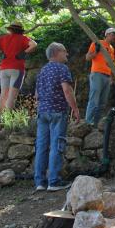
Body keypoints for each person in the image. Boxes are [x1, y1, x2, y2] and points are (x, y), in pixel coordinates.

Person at [34, 42, 80, 192]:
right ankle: (54, 181)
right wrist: (75, 109)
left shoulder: (42, 71)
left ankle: (40, 182)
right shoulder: (62, 68)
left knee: (41, 146)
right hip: (58, 111)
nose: (67, 54)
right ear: (57, 53)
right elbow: (67, 91)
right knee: (56, 145)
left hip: (43, 112)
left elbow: (36, 95)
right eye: (65, 51)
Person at [0, 22, 37, 112]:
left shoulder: (3, 38)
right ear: (20, 30)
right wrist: (24, 53)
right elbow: (34, 45)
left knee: (3, 94)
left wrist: (2, 54)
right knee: (12, 95)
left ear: (10, 29)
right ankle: (7, 121)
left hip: (3, 68)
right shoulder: (23, 38)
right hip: (17, 68)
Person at [85, 28, 115, 127]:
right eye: (113, 34)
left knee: (102, 103)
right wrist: (96, 51)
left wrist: (112, 78)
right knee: (94, 99)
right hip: (97, 74)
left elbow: (111, 64)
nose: (114, 37)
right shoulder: (98, 43)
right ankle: (88, 123)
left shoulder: (112, 48)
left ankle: (96, 124)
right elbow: (87, 57)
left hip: (107, 77)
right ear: (107, 34)